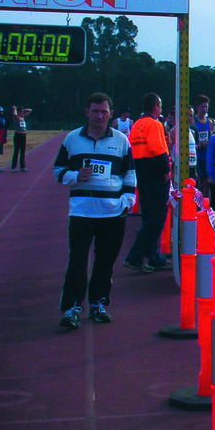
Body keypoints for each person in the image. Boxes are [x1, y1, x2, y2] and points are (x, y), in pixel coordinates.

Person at [54, 92, 137, 328]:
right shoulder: (72, 140)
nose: (100, 116)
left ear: (111, 113)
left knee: (105, 261)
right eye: (95, 111)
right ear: (87, 112)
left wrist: (127, 201)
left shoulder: (121, 140)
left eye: (104, 111)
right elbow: (58, 170)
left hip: (112, 213)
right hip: (82, 212)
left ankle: (99, 303)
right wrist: (74, 175)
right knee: (78, 261)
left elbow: (129, 174)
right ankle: (72, 308)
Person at [124, 93, 172, 272]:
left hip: (141, 174)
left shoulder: (136, 125)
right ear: (156, 107)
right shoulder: (154, 124)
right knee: (157, 218)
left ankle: (154, 257)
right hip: (156, 175)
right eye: (160, 106)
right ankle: (135, 256)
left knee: (149, 217)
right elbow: (157, 150)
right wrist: (166, 171)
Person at [11, 104, 32, 171]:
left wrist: (24, 109)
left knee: (23, 151)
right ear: (18, 111)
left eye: (23, 111)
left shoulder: (23, 116)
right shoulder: (16, 117)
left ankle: (22, 166)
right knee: (16, 151)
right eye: (21, 111)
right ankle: (14, 167)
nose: (23, 112)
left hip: (23, 135)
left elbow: (30, 110)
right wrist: (14, 109)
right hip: (18, 135)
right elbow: (14, 114)